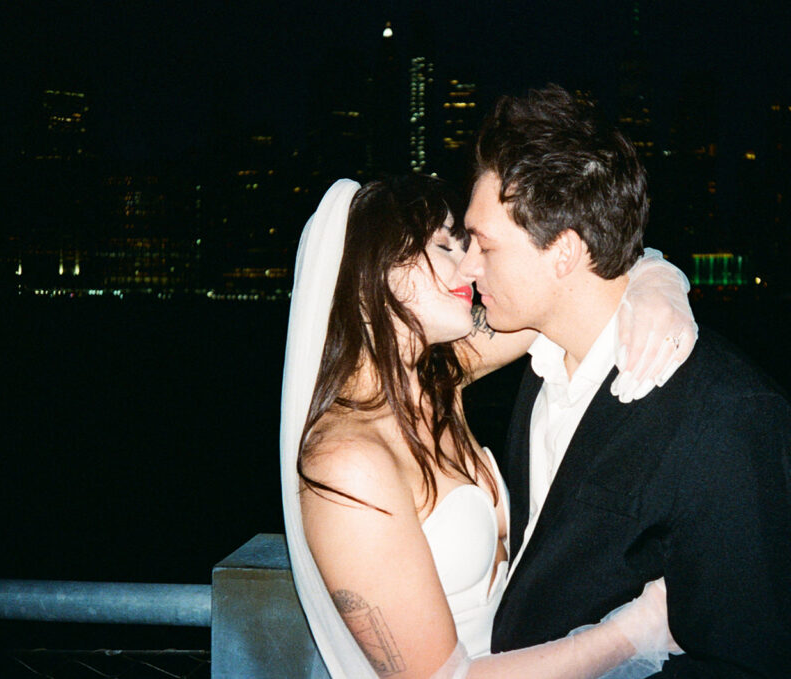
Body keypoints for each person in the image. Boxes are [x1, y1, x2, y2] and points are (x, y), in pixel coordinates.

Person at [280, 175, 697, 678]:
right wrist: (634, 633)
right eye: (441, 245)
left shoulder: (438, 379)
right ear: (371, 272)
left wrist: (657, 279)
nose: (468, 265)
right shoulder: (346, 463)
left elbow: (564, 291)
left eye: (468, 244)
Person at [459, 85, 791, 677]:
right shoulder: (541, 362)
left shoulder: (727, 416)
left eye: (484, 245)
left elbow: (744, 663)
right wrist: (656, 269)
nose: (467, 265)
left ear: (564, 252)